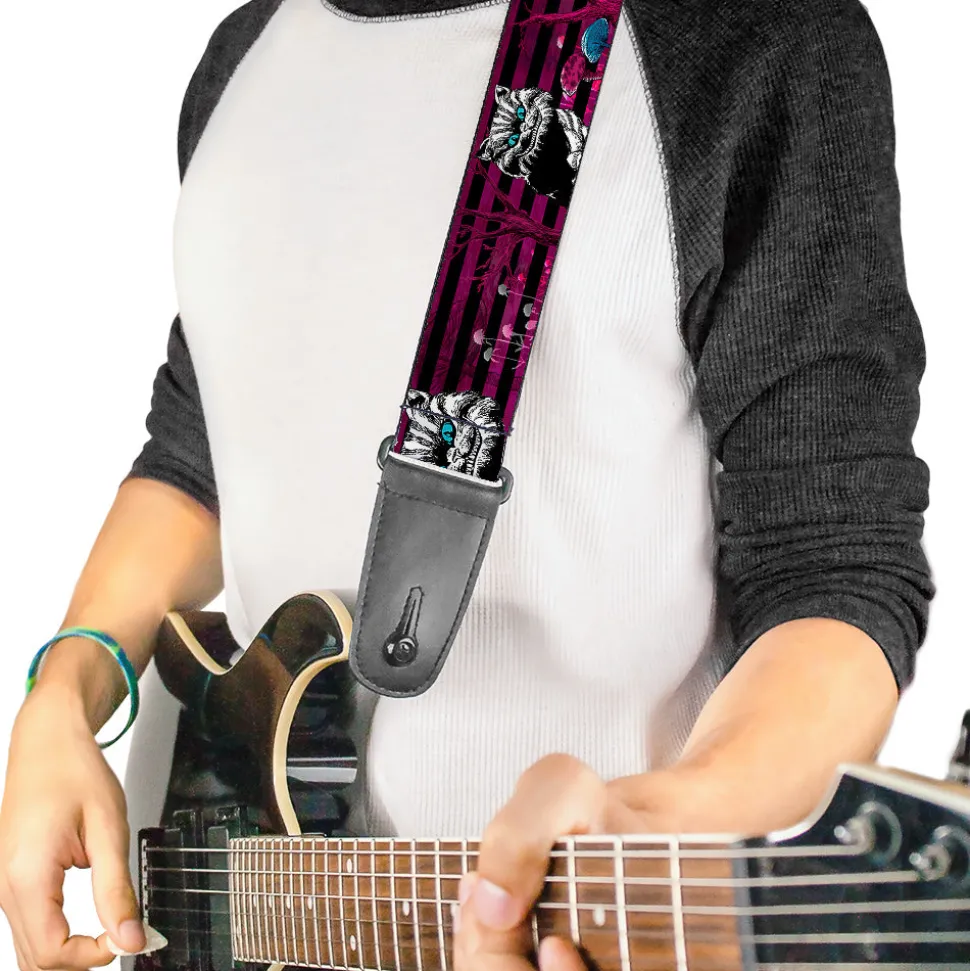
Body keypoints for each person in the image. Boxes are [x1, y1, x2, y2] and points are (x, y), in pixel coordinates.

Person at [0, 0, 934, 969]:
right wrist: (64, 690)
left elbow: (834, 572)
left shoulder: (751, 38)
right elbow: (198, 456)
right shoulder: (242, 56)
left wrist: (656, 820)